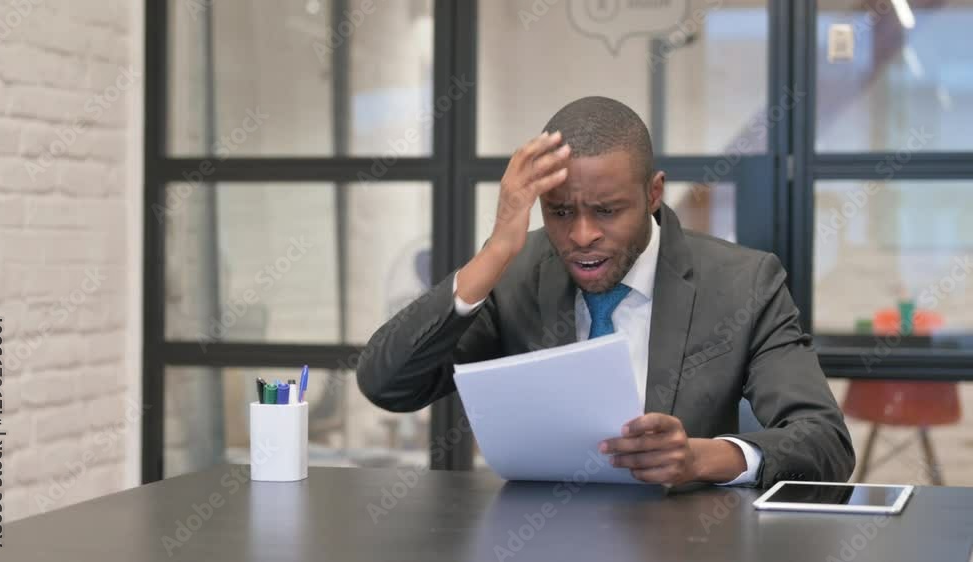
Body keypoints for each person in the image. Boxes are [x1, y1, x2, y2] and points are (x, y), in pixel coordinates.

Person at [357, 96, 855, 488]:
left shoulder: (743, 283)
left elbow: (825, 442)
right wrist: (495, 251)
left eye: (607, 211)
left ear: (653, 193)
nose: (582, 236)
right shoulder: (514, 274)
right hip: (535, 537)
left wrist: (702, 457)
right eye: (560, 212)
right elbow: (388, 384)